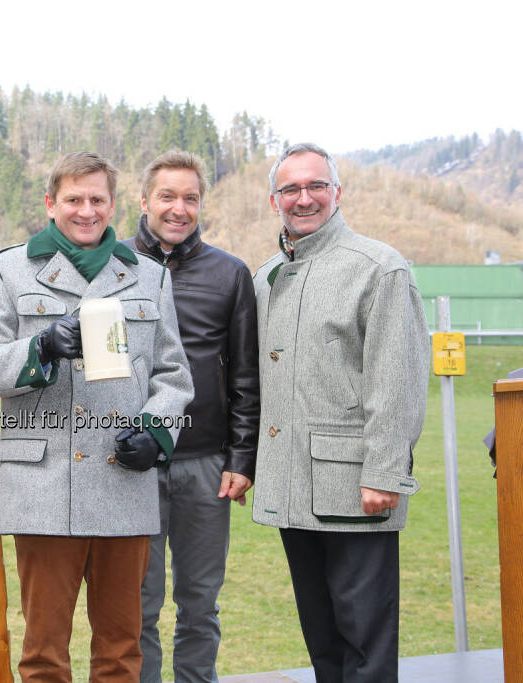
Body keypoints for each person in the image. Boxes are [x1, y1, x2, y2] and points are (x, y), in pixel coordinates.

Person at [0, 151, 193, 682]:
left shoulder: (151, 277)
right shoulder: (6, 270)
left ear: (113, 205)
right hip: (44, 484)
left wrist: (158, 431)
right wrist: (39, 346)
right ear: (50, 203)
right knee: (43, 652)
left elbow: (174, 375)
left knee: (121, 649)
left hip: (123, 483)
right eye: (73, 200)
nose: (85, 211)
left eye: (96, 200)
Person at [252, 142, 429, 681]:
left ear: (337, 191)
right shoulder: (264, 278)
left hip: (356, 487)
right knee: (322, 640)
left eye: (315, 186)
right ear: (275, 199)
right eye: (290, 189)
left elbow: (396, 380)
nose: (303, 198)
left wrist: (383, 472)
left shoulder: (380, 269)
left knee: (365, 645)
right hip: (290, 487)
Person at [122, 150, 259, 683]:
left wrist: (241, 458)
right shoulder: (114, 266)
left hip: (205, 464)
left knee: (200, 603)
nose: (179, 209)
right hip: (131, 466)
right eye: (167, 197)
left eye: (190, 198)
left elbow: (246, 376)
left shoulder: (229, 274)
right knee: (138, 604)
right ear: (144, 201)